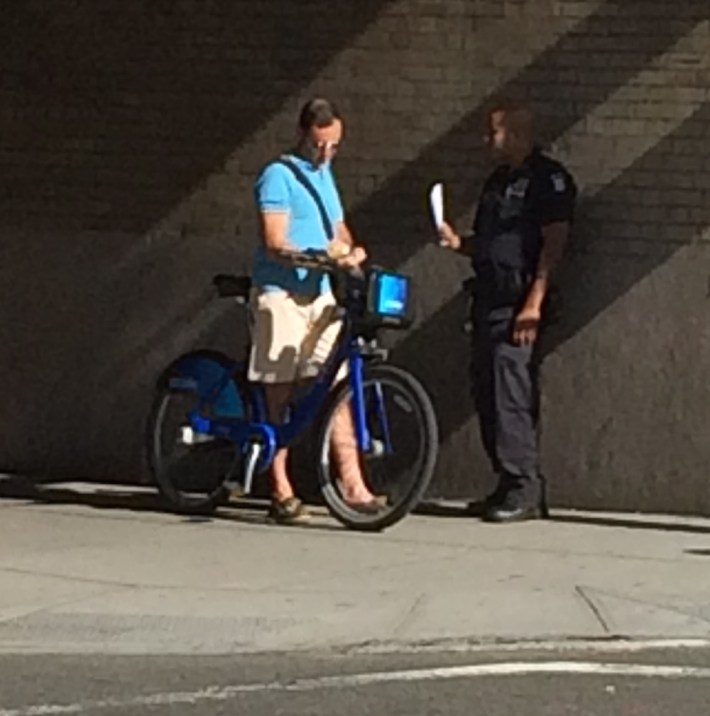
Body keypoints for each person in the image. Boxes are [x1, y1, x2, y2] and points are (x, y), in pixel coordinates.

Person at [438, 100, 577, 523]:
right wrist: (458, 242)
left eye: (493, 132)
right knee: (486, 390)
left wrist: (533, 304)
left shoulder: (548, 180)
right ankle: (505, 480)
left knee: (510, 391)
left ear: (516, 134)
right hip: (488, 300)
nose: (487, 140)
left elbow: (554, 245)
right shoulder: (497, 181)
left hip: (520, 304)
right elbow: (489, 241)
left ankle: (525, 486)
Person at [249, 97, 383, 525]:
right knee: (280, 388)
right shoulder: (277, 176)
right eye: (319, 145)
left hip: (320, 293)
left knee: (337, 383)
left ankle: (353, 484)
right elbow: (275, 239)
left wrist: (352, 252)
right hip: (282, 292)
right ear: (303, 134)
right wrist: (316, 256)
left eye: (334, 146)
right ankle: (280, 488)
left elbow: (338, 229)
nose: (325, 154)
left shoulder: (325, 176)